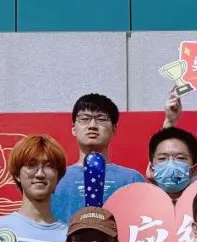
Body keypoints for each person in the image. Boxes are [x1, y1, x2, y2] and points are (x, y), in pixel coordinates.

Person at [51, 94, 144, 223]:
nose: (92, 125)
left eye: (101, 119)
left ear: (114, 129)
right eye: (84, 119)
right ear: (73, 128)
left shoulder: (132, 179)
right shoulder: (56, 178)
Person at [147, 126, 197, 202]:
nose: (171, 165)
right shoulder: (141, 202)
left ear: (194, 169)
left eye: (180, 158)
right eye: (162, 158)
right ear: (151, 168)